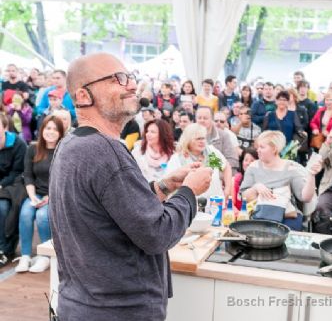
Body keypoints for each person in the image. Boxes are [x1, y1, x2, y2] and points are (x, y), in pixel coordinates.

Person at [49, 53, 212, 320]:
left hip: (80, 305)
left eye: (130, 77)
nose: (131, 85)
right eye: (117, 79)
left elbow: (113, 209)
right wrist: (189, 193)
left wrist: (164, 186)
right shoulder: (106, 151)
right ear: (82, 96)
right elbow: (157, 234)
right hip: (120, 311)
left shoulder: (72, 145)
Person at [240, 131, 321, 231]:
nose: (258, 150)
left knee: (277, 232)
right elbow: (242, 196)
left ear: (274, 149)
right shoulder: (253, 167)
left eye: (262, 147)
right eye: (258, 147)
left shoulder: (291, 168)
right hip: (259, 215)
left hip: (287, 216)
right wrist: (256, 188)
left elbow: (305, 197)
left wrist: (312, 175)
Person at [15, 116, 64, 273]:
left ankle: (45, 256)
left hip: (54, 195)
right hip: (35, 194)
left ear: (60, 133)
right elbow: (28, 175)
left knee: (43, 216)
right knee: (25, 214)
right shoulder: (33, 149)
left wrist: (48, 198)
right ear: (42, 130)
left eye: (55, 129)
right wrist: (32, 196)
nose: (50, 132)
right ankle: (26, 256)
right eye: (48, 128)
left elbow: (63, 180)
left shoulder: (63, 151)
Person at [166, 123, 231, 201]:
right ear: (188, 140)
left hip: (215, 203)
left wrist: (227, 189)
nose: (202, 141)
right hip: (190, 206)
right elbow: (169, 183)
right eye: (198, 139)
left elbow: (225, 167)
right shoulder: (178, 158)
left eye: (203, 138)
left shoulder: (211, 152)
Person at [0, 113, 28, 267]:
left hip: (14, 184)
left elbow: (18, 172)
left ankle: (4, 249)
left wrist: (1, 184)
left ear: (5, 128)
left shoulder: (18, 144)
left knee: (3, 207)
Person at [196, 106, 239, 172]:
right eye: (199, 118)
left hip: (217, 174)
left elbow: (233, 161)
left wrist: (214, 169)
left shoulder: (224, 136)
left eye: (205, 118)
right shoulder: (189, 135)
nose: (202, 120)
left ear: (212, 119)